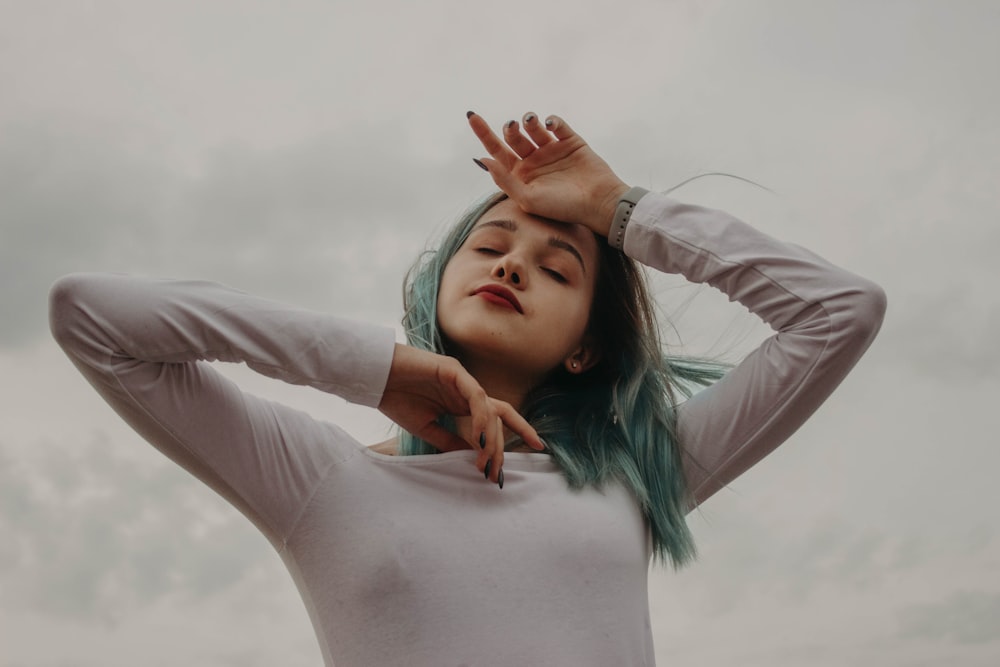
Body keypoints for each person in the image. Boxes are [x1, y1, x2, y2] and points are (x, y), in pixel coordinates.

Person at [49, 111, 886, 666]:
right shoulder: (321, 479)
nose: (515, 261)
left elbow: (839, 311)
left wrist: (615, 207)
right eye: (488, 247)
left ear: (587, 349)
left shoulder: (639, 471)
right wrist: (377, 369)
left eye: (558, 266)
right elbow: (92, 316)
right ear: (437, 288)